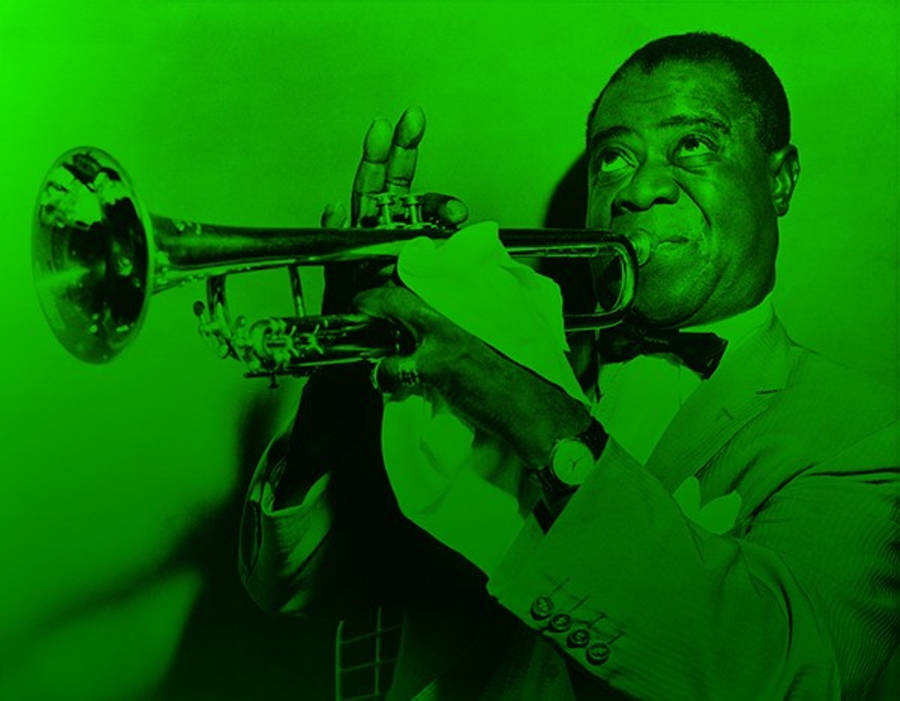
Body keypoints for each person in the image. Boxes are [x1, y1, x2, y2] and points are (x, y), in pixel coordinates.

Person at [239, 33, 898, 699]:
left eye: (694, 144)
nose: (639, 188)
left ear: (780, 178)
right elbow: (296, 583)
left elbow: (788, 675)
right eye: (613, 158)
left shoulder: (866, 432)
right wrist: (343, 381)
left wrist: (534, 415)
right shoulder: (499, 366)